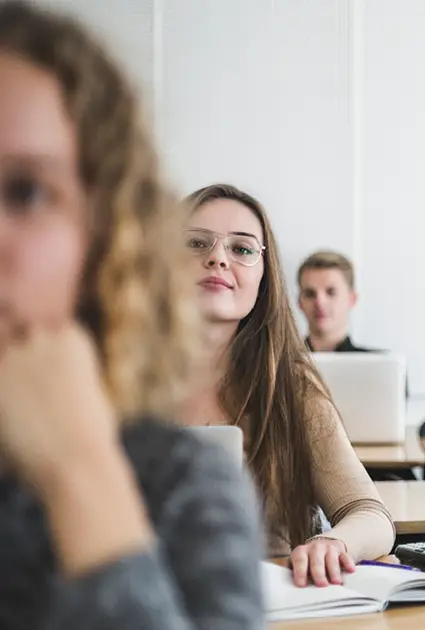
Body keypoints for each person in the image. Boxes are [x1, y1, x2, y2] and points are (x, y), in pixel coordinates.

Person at [0, 2, 264, 627]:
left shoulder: (180, 483)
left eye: (27, 192)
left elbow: (361, 505)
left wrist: (83, 479)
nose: (217, 263)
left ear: (106, 237)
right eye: (198, 244)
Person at [181, 184, 395, 588]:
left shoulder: (290, 386)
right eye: (196, 243)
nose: (216, 258)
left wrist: (333, 542)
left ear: (264, 277)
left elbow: (370, 514)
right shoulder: (114, 383)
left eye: (242, 249)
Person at [298, 250, 373, 352]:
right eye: (310, 294)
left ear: (352, 299)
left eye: (331, 292)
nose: (319, 302)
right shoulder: (276, 363)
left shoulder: (382, 364)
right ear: (300, 302)